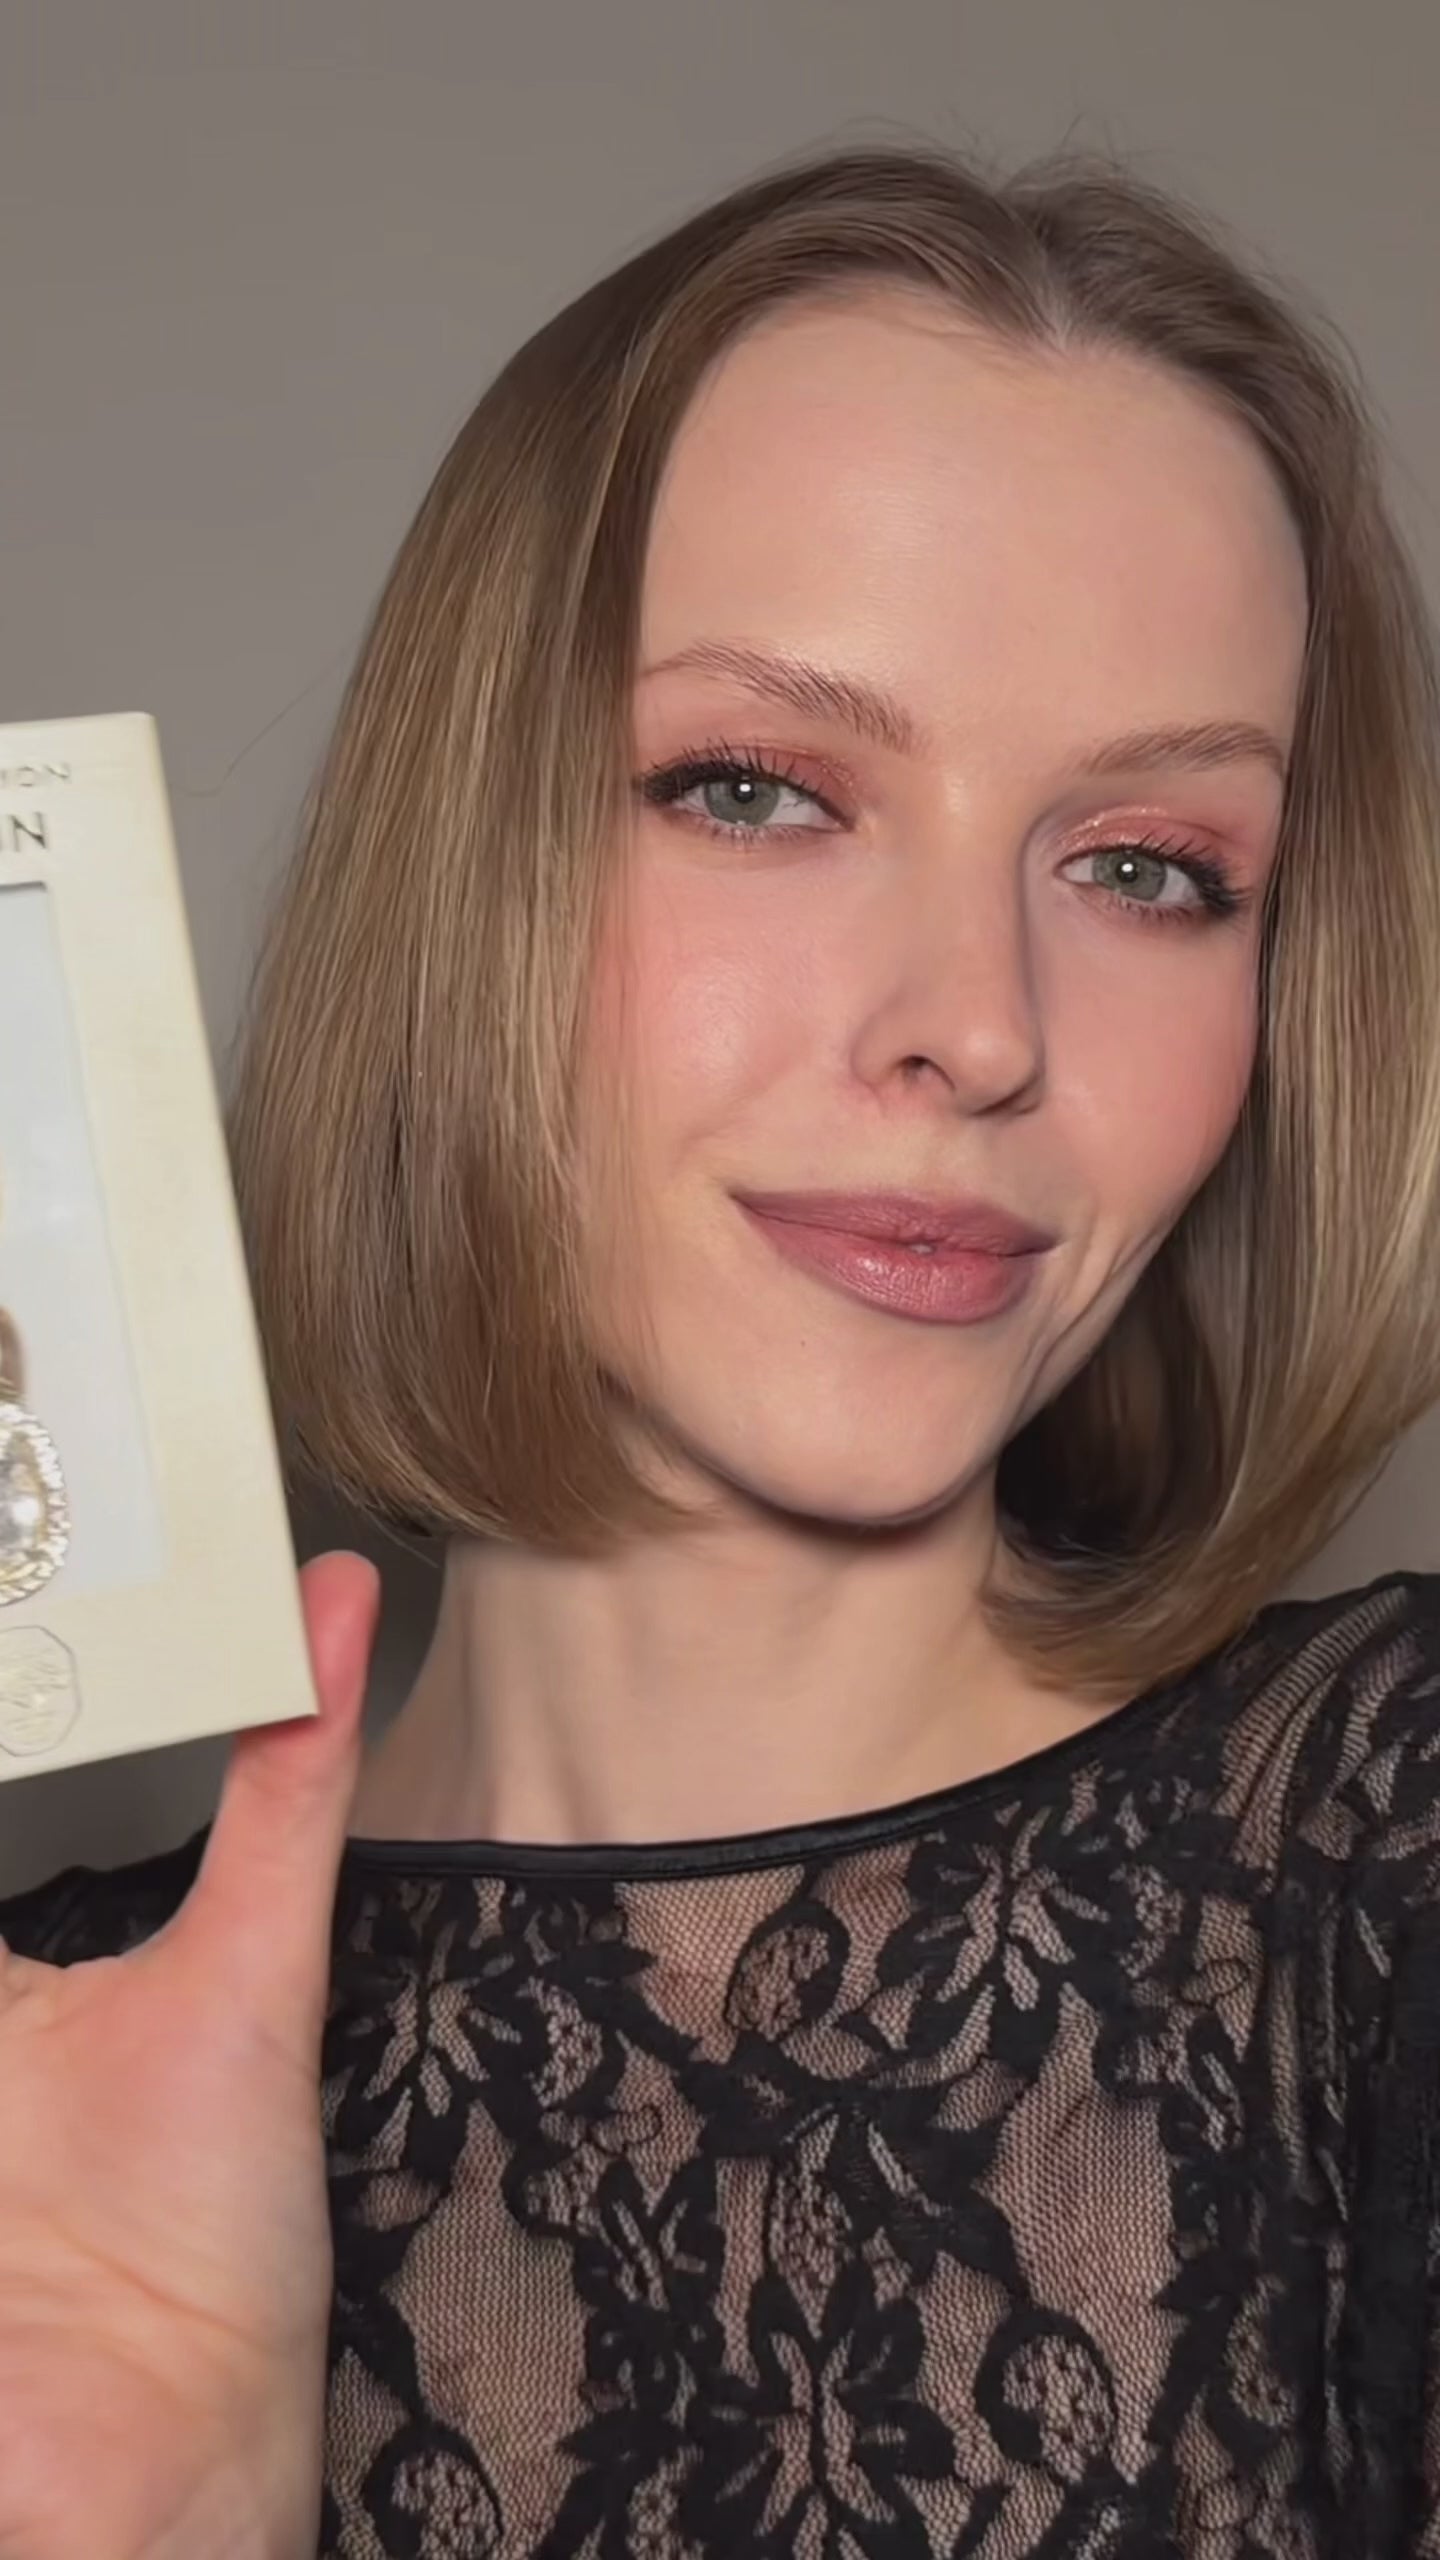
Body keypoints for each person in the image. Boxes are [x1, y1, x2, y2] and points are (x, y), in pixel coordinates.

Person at [1, 138, 1439, 2560]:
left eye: (1149, 865)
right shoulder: (45, 2069)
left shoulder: (1381, 1880)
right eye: (758, 790)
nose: (981, 1022)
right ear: (466, 866)